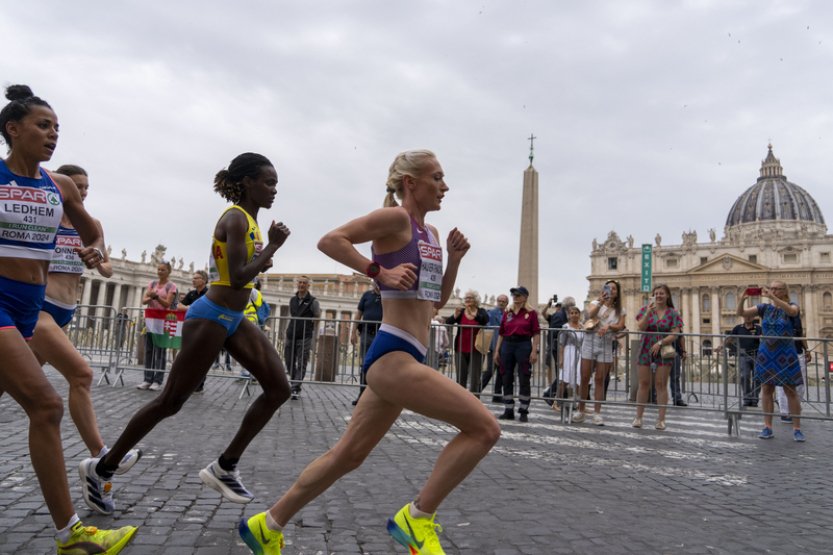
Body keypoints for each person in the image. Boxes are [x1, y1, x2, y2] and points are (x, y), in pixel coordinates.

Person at [239, 149, 500, 555]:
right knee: (485, 429)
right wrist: (378, 271)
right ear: (411, 182)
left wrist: (454, 260)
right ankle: (416, 518)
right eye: (437, 177)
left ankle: (266, 524)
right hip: (393, 354)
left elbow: (433, 302)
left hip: (407, 354)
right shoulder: (395, 219)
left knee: (348, 455)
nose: (445, 186)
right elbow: (330, 240)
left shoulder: (430, 235)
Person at [79, 152, 293, 516]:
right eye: (268, 182)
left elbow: (240, 272)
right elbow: (239, 276)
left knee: (279, 388)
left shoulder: (250, 223)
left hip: (233, 317)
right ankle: (102, 468)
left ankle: (225, 465)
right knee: (171, 402)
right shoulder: (236, 219)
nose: (274, 190)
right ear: (247, 183)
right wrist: (272, 246)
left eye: (276, 183)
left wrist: (264, 251)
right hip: (211, 316)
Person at [0, 84, 136, 552]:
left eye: (57, 128)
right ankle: (71, 535)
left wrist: (94, 246)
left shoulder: (58, 185)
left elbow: (90, 224)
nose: (53, 134)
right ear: (12, 130)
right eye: (43, 126)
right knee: (46, 405)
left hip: (28, 308)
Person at [28, 164, 143, 467]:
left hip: (66, 311)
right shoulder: (46, 217)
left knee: (13, 380)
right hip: (41, 306)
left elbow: (107, 267)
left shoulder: (92, 224)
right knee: (81, 374)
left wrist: (96, 261)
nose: (82, 192)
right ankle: (101, 456)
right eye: (76, 185)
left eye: (86, 187)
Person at [738, 281, 805, 441]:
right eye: (771, 288)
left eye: (776, 289)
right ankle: (767, 427)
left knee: (791, 391)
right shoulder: (763, 308)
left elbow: (792, 312)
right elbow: (742, 313)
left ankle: (797, 428)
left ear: (784, 291)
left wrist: (773, 297)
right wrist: (742, 299)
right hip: (766, 353)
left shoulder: (792, 305)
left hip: (786, 353)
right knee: (767, 390)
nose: (772, 290)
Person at [575, 280, 626, 426]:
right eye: (608, 288)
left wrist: (609, 326)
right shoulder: (594, 302)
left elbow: (621, 325)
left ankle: (597, 413)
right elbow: (589, 315)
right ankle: (581, 409)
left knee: (599, 379)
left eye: (614, 289)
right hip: (590, 341)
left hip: (606, 343)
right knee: (584, 377)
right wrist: (601, 302)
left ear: (617, 292)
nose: (611, 290)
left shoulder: (620, 310)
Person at [633, 284, 682, 430]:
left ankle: (661, 419)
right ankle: (638, 417)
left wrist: (660, 342)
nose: (659, 296)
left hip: (664, 349)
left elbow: (675, 333)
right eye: (656, 293)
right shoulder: (644, 310)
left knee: (661, 384)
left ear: (667, 296)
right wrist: (648, 312)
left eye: (662, 293)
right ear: (653, 296)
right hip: (645, 348)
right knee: (644, 383)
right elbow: (640, 327)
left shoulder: (673, 313)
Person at [494, 286, 541, 422]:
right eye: (513, 295)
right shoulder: (507, 313)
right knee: (506, 376)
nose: (515, 297)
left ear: (525, 297)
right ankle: (508, 409)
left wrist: (534, 350)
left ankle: (524, 410)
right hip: (507, 345)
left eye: (518, 295)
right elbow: (501, 333)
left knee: (524, 376)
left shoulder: (531, 313)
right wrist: (497, 350)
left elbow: (536, 333)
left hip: (523, 344)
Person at [137, 260, 178, 390]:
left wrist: (156, 297)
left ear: (168, 271)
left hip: (163, 321)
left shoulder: (172, 286)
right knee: (149, 350)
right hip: (150, 320)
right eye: (159, 269)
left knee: (160, 351)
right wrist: (151, 297)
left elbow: (167, 304)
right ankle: (147, 379)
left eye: (163, 270)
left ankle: (158, 381)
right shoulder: (152, 283)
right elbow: (144, 301)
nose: (160, 272)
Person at [284, 275, 321, 400]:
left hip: (305, 336)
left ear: (308, 285)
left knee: (302, 362)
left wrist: (315, 334)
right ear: (297, 284)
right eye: (299, 282)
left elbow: (317, 317)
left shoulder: (313, 301)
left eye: (304, 283)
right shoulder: (292, 300)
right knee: (288, 360)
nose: (301, 285)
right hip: (291, 333)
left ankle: (295, 387)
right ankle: (295, 382)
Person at [445, 289, 488, 393]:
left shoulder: (481, 311)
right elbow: (448, 322)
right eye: (466, 298)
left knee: (475, 379)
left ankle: (474, 401)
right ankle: (461, 402)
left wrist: (474, 315)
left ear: (476, 300)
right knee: (460, 378)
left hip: (477, 349)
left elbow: (484, 320)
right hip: (460, 348)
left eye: (470, 298)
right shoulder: (461, 312)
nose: (468, 300)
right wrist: (455, 315)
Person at [351, 282, 382, 404]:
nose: (377, 284)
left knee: (380, 365)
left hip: (381, 334)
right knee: (364, 364)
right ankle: (362, 394)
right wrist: (353, 332)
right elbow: (358, 314)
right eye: (376, 281)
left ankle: (377, 395)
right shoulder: (366, 295)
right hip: (366, 334)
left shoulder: (387, 296)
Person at [179, 270, 209, 392]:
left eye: (196, 278)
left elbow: (205, 309)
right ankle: (189, 383)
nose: (193, 280)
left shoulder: (209, 294)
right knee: (189, 356)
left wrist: (190, 309)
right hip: (191, 328)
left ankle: (199, 384)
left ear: (203, 280)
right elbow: (178, 305)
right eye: (193, 278)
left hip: (205, 329)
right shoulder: (191, 294)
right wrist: (190, 308)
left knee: (201, 358)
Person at [723, 313, 762, 407]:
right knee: (744, 376)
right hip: (743, 356)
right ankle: (747, 398)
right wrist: (721, 346)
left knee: (757, 378)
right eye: (745, 315)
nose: (748, 317)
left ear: (753, 317)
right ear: (743, 317)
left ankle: (754, 399)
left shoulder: (758, 328)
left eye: (750, 315)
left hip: (757, 355)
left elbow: (763, 338)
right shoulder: (738, 328)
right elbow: (730, 339)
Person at [542, 296, 575, 405]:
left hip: (561, 346)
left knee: (563, 373)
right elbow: (556, 333)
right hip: (558, 347)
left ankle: (560, 396)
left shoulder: (563, 315)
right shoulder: (559, 316)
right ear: (569, 306)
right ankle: (550, 394)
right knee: (563, 372)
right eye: (572, 306)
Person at [553, 305, 584, 410]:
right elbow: (561, 344)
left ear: (579, 314)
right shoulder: (565, 327)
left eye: (576, 313)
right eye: (572, 313)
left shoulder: (583, 327)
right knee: (564, 379)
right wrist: (561, 358)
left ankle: (579, 404)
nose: (574, 315)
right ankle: (556, 402)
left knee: (580, 379)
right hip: (569, 353)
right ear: (569, 315)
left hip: (580, 354)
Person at [479, 294, 508, 402]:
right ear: (497, 301)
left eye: (503, 301)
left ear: (506, 303)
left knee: (501, 370)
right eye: (499, 300)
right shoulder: (491, 313)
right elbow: (487, 326)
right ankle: (477, 390)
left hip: (504, 346)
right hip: (494, 345)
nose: (501, 303)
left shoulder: (507, 314)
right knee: (490, 370)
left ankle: (497, 394)